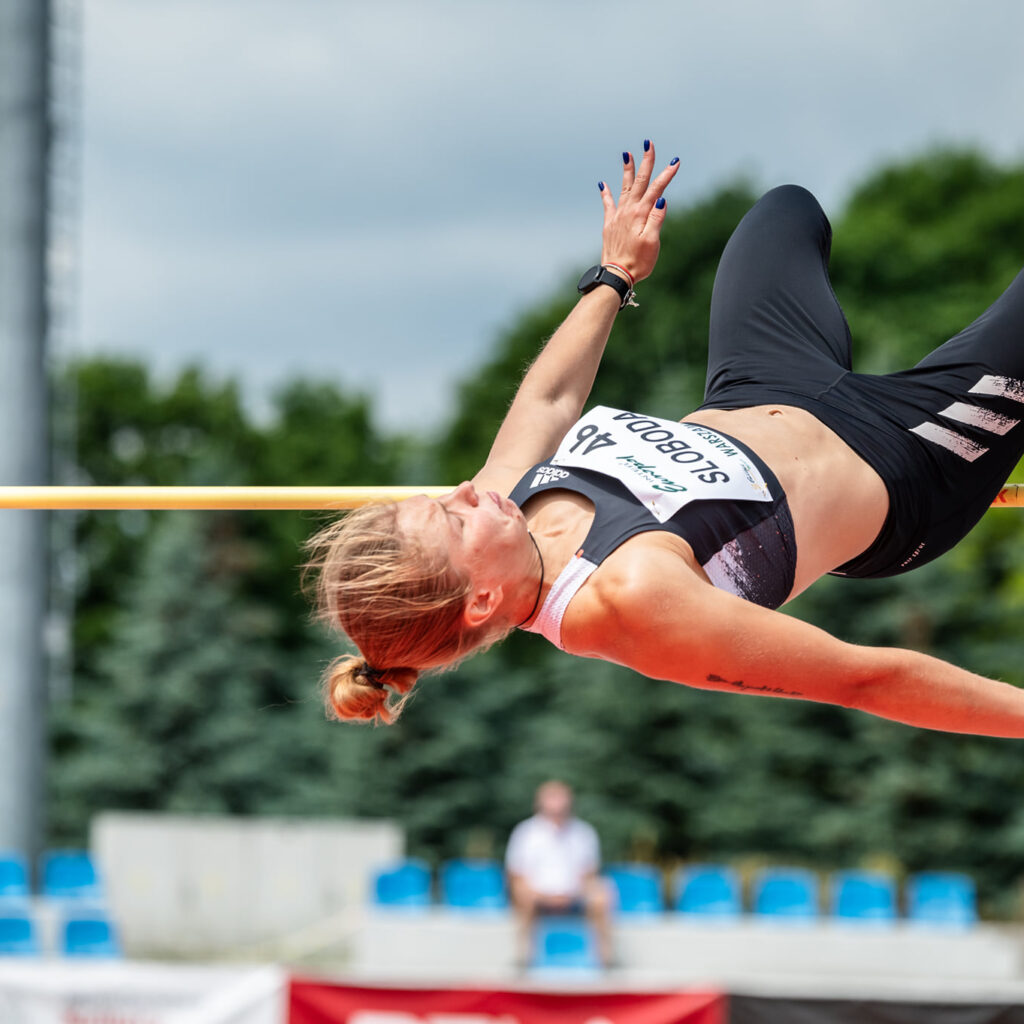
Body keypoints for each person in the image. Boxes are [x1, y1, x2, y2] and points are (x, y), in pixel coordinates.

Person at [307, 139, 1024, 736]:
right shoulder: (631, 598)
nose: (466, 490)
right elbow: (868, 679)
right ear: (481, 601)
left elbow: (550, 398)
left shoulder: (504, 509)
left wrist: (616, 272)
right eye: (454, 519)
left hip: (762, 385)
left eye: (442, 500)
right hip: (905, 460)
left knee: (785, 213)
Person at [505, 780, 613, 969]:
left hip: (574, 894)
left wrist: (571, 894)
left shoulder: (583, 833)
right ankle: (524, 956)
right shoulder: (525, 832)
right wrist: (544, 896)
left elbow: (589, 873)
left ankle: (605, 959)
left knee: (602, 893)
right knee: (522, 893)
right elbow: (516, 874)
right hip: (537, 894)